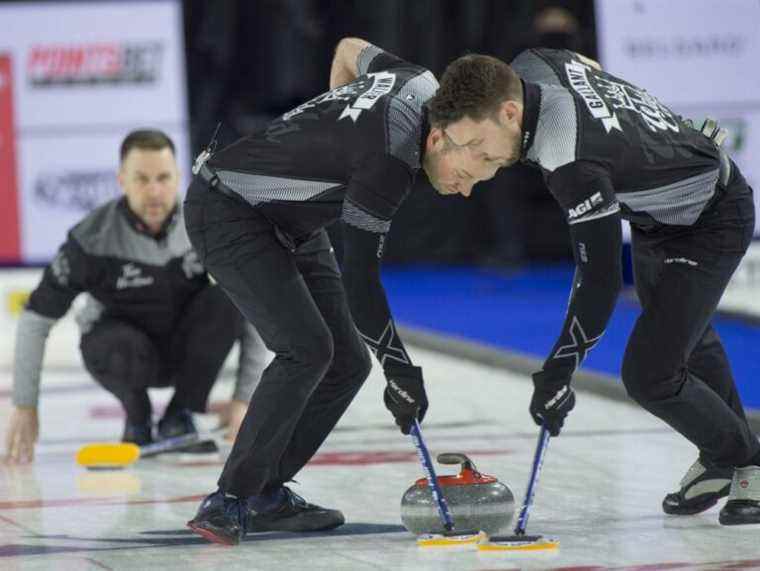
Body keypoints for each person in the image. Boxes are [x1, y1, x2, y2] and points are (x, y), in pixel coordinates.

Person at [183, 36, 501, 545]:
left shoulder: (419, 81)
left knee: (347, 362)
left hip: (292, 220)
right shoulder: (390, 164)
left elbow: (349, 48)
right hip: (228, 209)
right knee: (305, 350)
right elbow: (361, 280)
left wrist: (337, 109)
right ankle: (230, 499)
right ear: (441, 139)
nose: (464, 190)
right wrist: (401, 371)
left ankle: (266, 493)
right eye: (466, 175)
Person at [426, 48, 759, 525]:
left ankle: (747, 458)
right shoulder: (535, 65)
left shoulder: (570, 160)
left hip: (711, 216)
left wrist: (558, 371)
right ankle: (726, 458)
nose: (480, 160)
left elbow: (599, 278)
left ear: (510, 112)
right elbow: (589, 66)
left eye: (479, 144)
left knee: (650, 375)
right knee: (685, 338)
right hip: (656, 212)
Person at [5, 129, 268, 464]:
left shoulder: (209, 227)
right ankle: (137, 416)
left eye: (163, 178)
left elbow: (256, 308)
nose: (154, 192)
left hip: (187, 354)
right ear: (121, 180)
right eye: (141, 179)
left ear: (179, 178)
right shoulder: (91, 240)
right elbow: (34, 319)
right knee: (110, 341)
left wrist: (244, 400)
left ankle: (180, 415)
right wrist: (25, 405)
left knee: (231, 299)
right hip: (124, 355)